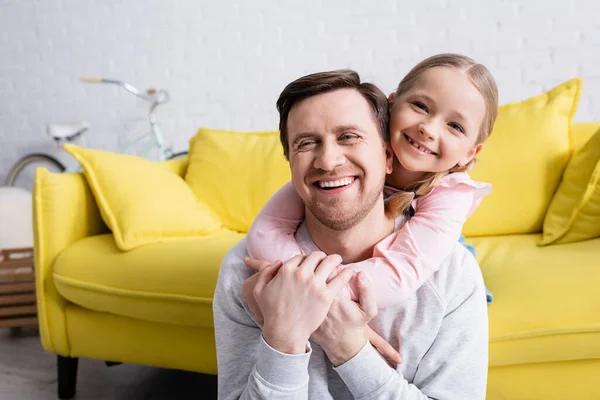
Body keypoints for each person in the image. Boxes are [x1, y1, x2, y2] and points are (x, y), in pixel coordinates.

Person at [213, 66, 489, 398]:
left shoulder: (453, 274)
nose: (328, 161)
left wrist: (350, 349)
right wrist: (283, 339)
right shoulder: (246, 270)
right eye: (307, 143)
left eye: (349, 137)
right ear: (290, 163)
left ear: (387, 155)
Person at [246, 53, 498, 307]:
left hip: (421, 263)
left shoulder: (452, 194)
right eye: (420, 106)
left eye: (455, 126)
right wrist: (294, 277)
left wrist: (313, 292)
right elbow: (265, 232)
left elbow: (397, 277)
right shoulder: (336, 166)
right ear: (391, 104)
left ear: (469, 153)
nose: (428, 129)